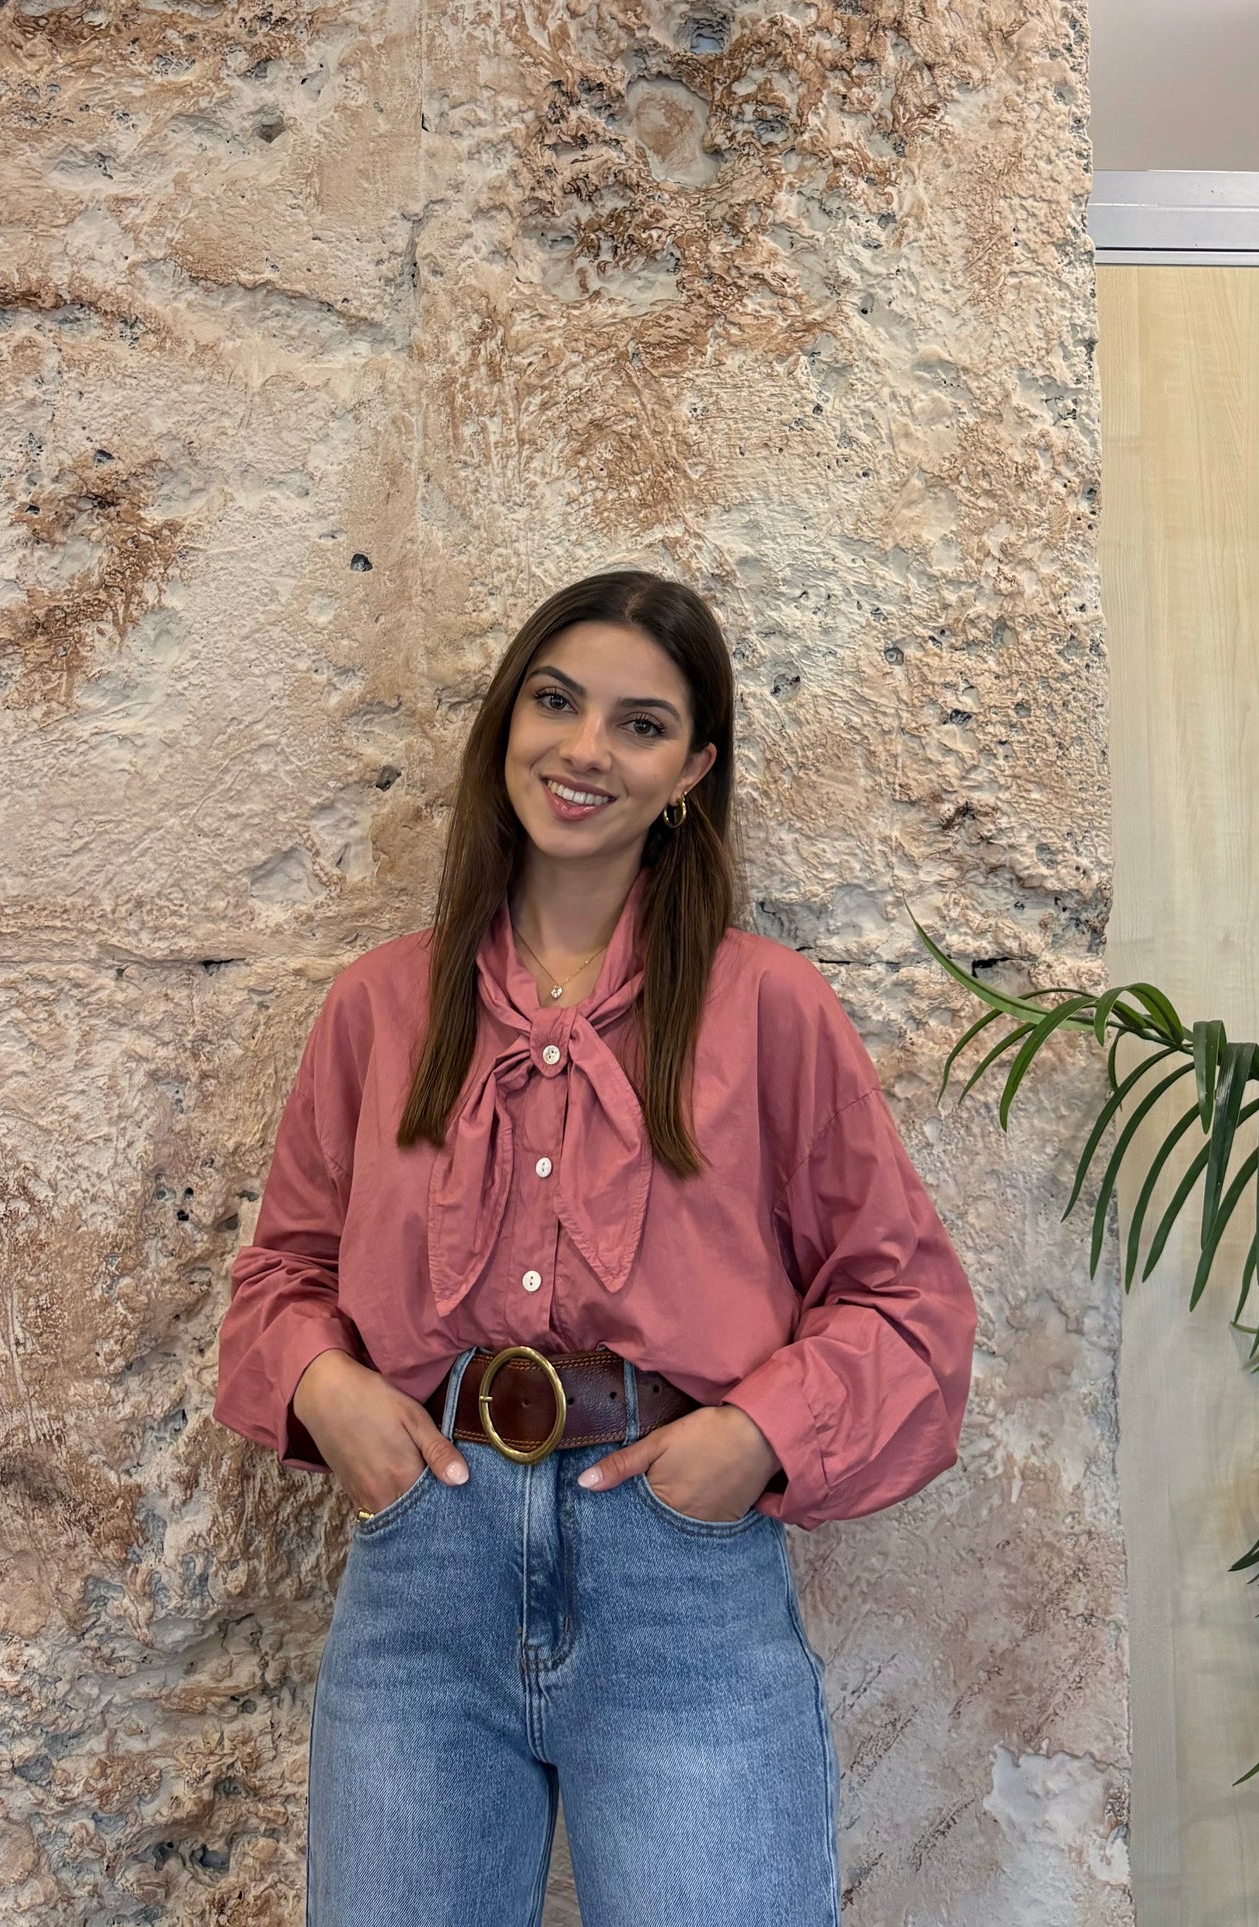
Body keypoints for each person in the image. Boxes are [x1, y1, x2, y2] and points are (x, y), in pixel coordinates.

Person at [212, 568, 977, 1926]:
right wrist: (332, 1397)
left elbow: (903, 1299)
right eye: (555, 703)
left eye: (638, 723)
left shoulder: (767, 1010)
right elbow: (285, 1271)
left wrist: (746, 1439)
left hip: (677, 1581)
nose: (582, 750)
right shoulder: (379, 1006)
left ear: (690, 769)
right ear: (506, 721)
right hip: (423, 1581)